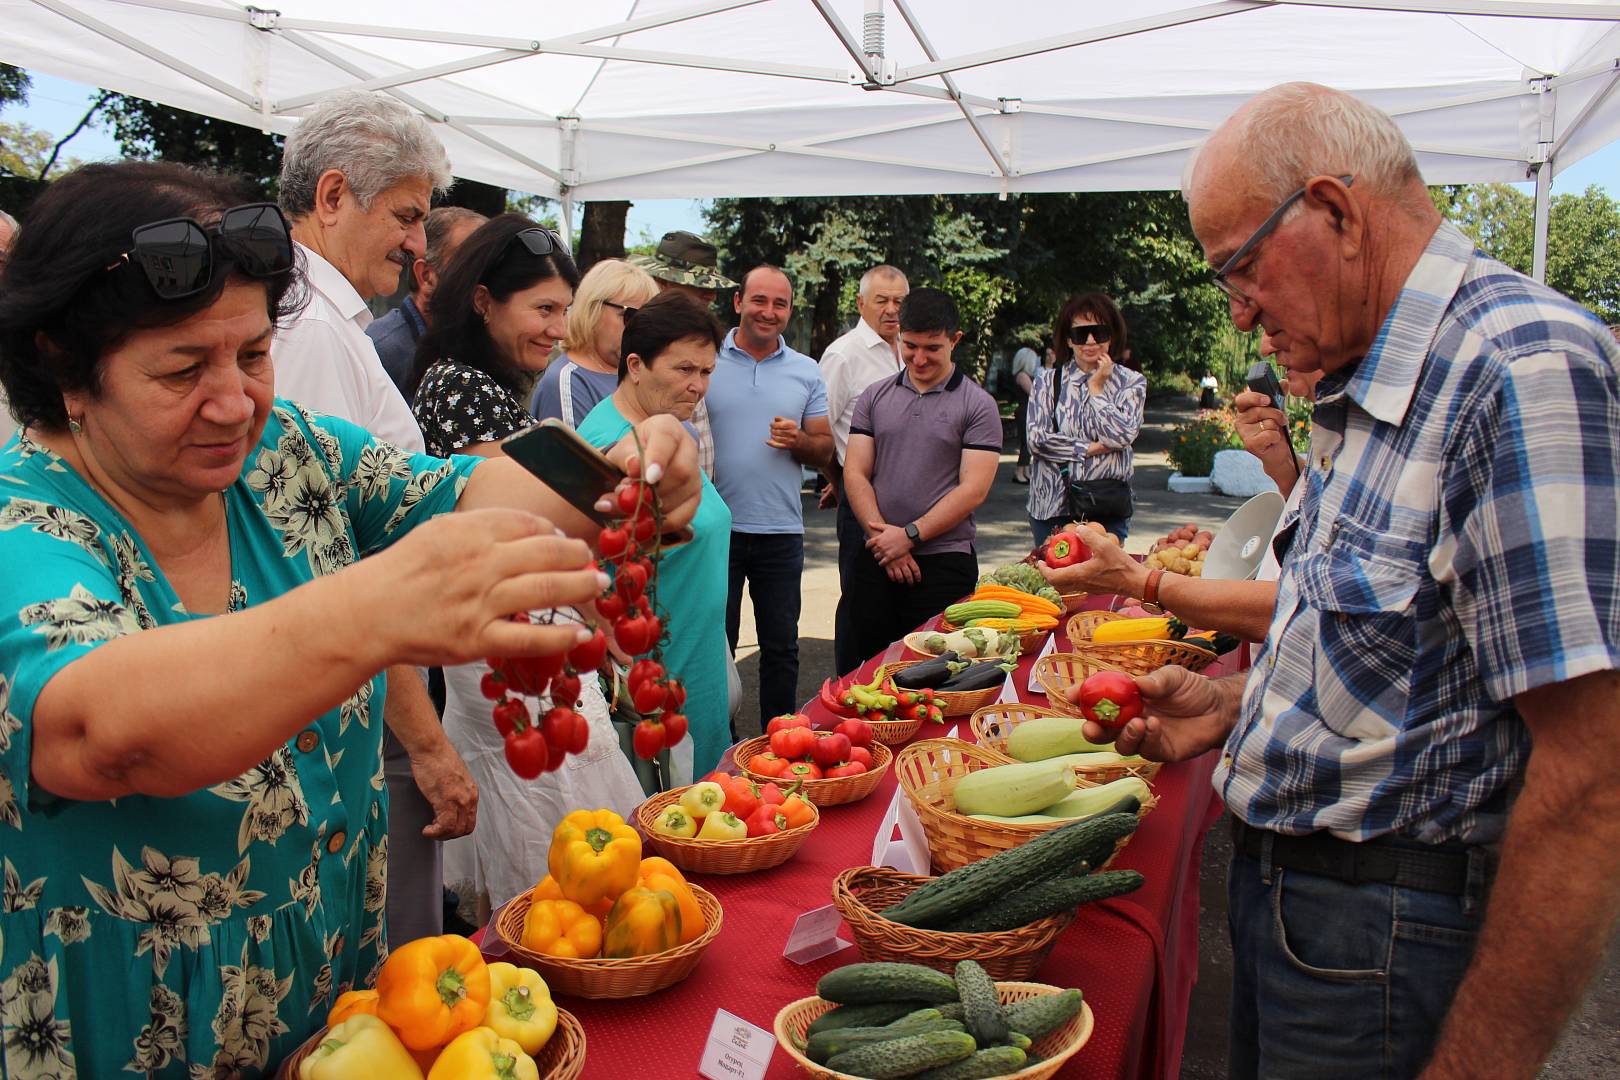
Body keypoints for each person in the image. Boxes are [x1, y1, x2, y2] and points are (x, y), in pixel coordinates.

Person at [0, 160, 702, 1076]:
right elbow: (96, 730)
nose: (233, 401)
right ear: (65, 370)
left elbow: (471, 491)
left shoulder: (283, 452)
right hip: (137, 1030)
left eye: (252, 355)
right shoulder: (25, 524)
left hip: (343, 1012)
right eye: (181, 369)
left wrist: (630, 464)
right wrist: (373, 611)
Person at [1081, 82, 1620, 1080]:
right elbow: (1400, 646)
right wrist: (1234, 704)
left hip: (1386, 935)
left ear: (1332, 212)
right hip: (1310, 919)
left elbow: (1593, 776)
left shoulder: (1518, 368)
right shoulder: (1369, 375)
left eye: (1238, 269)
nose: (1239, 313)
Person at [271, 88, 474, 949]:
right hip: (342, 710)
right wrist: (426, 744)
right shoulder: (311, 332)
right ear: (330, 196)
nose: (417, 245)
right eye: (407, 215)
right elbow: (332, 567)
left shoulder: (333, 322)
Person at [406, 214, 646, 923]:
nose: (554, 329)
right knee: (551, 806)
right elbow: (503, 521)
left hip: (513, 631)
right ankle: (550, 937)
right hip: (504, 638)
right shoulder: (459, 387)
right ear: (483, 300)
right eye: (542, 309)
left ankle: (556, 930)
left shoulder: (477, 382)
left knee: (558, 796)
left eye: (562, 312)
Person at [1038, 339, 1321, 642]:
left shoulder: (1374, 446)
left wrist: (1141, 582)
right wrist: (1282, 465)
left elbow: (1306, 608)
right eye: (1081, 332)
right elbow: (1314, 511)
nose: (1265, 344)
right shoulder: (1335, 425)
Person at [578, 293, 732, 779]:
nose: (698, 385)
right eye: (684, 369)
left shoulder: (662, 428)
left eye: (706, 372)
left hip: (694, 663)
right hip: (654, 676)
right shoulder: (615, 442)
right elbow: (584, 562)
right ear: (636, 365)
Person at [839, 288, 1002, 666]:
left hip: (943, 562)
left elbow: (973, 489)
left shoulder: (978, 405)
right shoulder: (874, 396)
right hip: (876, 555)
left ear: (954, 340)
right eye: (910, 346)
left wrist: (909, 535)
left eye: (933, 348)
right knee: (864, 670)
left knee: (936, 675)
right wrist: (884, 540)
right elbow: (856, 471)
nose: (919, 358)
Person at [706, 265, 833, 724]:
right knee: (716, 645)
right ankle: (723, 741)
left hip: (780, 530)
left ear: (789, 311)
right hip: (716, 528)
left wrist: (799, 440)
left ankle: (778, 743)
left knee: (781, 647)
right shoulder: (707, 361)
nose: (769, 311)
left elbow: (825, 449)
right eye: (759, 300)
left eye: (780, 303)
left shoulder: (806, 370)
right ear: (738, 302)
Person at [821, 265, 907, 674]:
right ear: (860, 303)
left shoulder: (910, 350)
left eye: (899, 302)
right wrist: (837, 480)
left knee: (902, 618)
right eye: (882, 301)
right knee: (861, 612)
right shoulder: (844, 355)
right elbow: (822, 429)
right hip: (861, 504)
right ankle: (849, 706)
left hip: (909, 507)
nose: (892, 310)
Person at [1024, 292, 1146, 546]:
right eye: (1081, 334)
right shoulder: (1047, 381)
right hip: (1053, 505)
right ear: (1069, 340)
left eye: (1099, 332)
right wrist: (1091, 448)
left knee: (1103, 582)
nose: (1090, 341)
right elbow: (1037, 440)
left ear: (1111, 336)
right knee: (1053, 581)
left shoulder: (1131, 382)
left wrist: (1097, 389)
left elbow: (1122, 435)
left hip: (1107, 504)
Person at [624, 229, 738, 478]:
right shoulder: (640, 344)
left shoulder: (689, 340)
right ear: (663, 284)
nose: (711, 295)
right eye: (696, 285)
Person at [366, 206, 486, 397]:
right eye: (472, 264)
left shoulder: (463, 349)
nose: (488, 281)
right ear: (426, 276)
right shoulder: (380, 353)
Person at [531, 258, 659, 428]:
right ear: (593, 309)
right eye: (631, 316)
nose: (641, 327)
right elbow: (572, 454)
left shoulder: (637, 372)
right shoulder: (567, 381)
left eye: (649, 318)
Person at [1009, 338, 1041, 484]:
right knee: (1025, 443)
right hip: (1024, 411)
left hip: (1027, 410)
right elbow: (1033, 393)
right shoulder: (1022, 376)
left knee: (1028, 443)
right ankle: (1019, 472)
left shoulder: (1024, 375)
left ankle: (1026, 471)